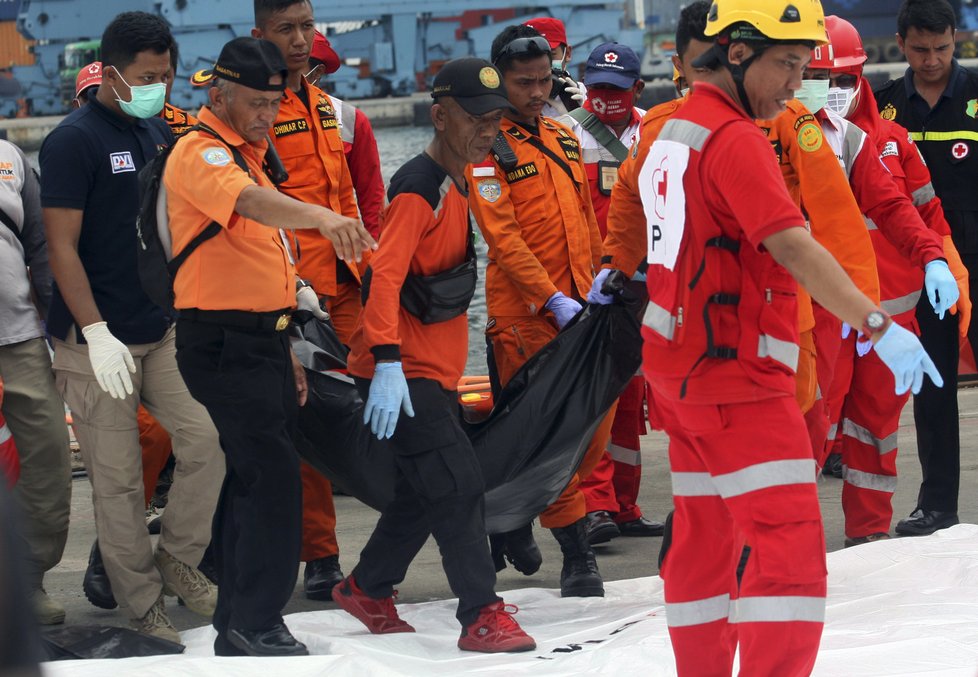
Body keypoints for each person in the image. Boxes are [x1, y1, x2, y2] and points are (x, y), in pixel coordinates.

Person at [596, 0, 941, 672]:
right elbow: (793, 244)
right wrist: (876, 321)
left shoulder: (670, 129)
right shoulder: (734, 139)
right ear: (738, 53)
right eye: (787, 64)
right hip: (737, 381)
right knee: (788, 554)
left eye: (805, 66)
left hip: (682, 373)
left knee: (704, 541)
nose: (795, 84)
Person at [165, 36, 375, 656]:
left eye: (274, 103)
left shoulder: (248, 152)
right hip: (222, 343)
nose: (268, 115)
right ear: (219, 93)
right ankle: (257, 620)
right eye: (257, 103)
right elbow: (251, 207)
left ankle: (236, 619)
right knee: (273, 477)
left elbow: (262, 262)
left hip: (263, 340)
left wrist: (286, 343)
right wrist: (324, 217)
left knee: (252, 479)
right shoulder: (201, 153)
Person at [333, 56, 535, 653]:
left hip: (432, 371)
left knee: (426, 490)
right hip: (404, 370)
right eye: (476, 118)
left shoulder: (462, 178)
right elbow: (380, 281)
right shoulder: (419, 189)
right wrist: (388, 362)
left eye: (496, 119)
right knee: (458, 485)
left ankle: (367, 586)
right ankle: (481, 615)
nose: (488, 130)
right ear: (440, 116)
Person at [40, 11, 224, 643]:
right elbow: (61, 248)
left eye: (167, 76)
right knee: (117, 483)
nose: (160, 88)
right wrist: (93, 333)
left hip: (159, 327)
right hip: (94, 340)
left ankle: (178, 555)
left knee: (207, 440)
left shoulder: (153, 131)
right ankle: (142, 601)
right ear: (111, 72)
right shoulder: (74, 141)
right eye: (148, 77)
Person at [802, 14, 966, 546]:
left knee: (875, 433)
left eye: (842, 80)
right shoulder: (775, 139)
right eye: (817, 78)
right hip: (815, 316)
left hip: (889, 319)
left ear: (861, 75)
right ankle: (785, 539)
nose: (830, 92)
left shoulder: (879, 141)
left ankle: (867, 538)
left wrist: (942, 262)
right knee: (809, 429)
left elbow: (912, 211)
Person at [466, 24, 610, 599]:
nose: (536, 91)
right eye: (524, 82)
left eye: (545, 80)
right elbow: (502, 238)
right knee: (552, 438)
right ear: (500, 80)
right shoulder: (486, 148)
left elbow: (588, 216)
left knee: (590, 433)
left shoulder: (563, 134)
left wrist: (604, 277)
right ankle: (577, 556)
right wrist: (549, 297)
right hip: (529, 317)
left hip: (584, 307)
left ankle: (511, 517)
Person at [250, 0, 365, 605]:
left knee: (372, 414)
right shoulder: (250, 114)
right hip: (292, 299)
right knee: (307, 426)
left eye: (307, 28)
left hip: (348, 289)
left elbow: (357, 200)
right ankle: (320, 555)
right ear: (260, 34)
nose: (300, 40)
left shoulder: (328, 110)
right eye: (286, 29)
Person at [874, 0, 977, 536]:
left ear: (954, 39)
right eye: (920, 49)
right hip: (927, 265)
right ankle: (938, 506)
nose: (931, 59)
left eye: (941, 48)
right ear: (901, 43)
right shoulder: (885, 105)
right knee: (934, 385)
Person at [556, 42, 664, 543]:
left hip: (648, 281)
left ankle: (624, 504)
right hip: (595, 284)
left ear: (637, 89)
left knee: (633, 393)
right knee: (599, 396)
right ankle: (595, 505)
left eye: (616, 91)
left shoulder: (658, 131)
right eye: (597, 88)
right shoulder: (565, 134)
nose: (605, 99)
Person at [0, 138, 72, 626]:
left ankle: (27, 581)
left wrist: (60, 329)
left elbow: (41, 244)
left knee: (46, 455)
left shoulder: (9, 156)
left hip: (18, 337)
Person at [307, 30, 385, 239]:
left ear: (317, 73)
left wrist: (376, 255)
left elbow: (372, 197)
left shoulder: (351, 119)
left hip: (339, 250)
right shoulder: (262, 116)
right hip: (280, 252)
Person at [523, 16, 585, 117]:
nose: (542, 63)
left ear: (568, 53)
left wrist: (586, 114)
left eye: (551, 54)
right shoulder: (517, 98)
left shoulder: (586, 95)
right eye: (533, 56)